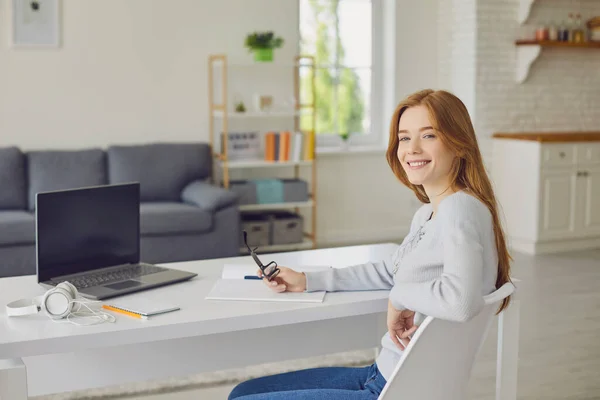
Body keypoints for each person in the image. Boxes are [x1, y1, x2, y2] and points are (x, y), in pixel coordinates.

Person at [228, 89, 512, 400]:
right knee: (244, 391)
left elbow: (461, 301)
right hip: (383, 373)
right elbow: (393, 271)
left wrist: (399, 297)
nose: (412, 149)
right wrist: (309, 280)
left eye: (428, 135)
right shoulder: (430, 213)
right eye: (404, 138)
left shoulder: (460, 209)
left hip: (396, 389)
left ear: (459, 144)